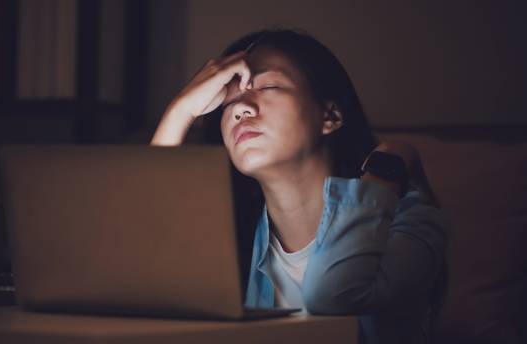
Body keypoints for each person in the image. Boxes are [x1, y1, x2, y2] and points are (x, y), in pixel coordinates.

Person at [151, 29, 447, 344]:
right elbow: (139, 253)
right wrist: (181, 111)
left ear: (330, 115)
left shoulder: (412, 223)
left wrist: (387, 168)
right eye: (230, 99)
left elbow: (334, 296)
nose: (241, 108)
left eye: (268, 85)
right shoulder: (236, 237)